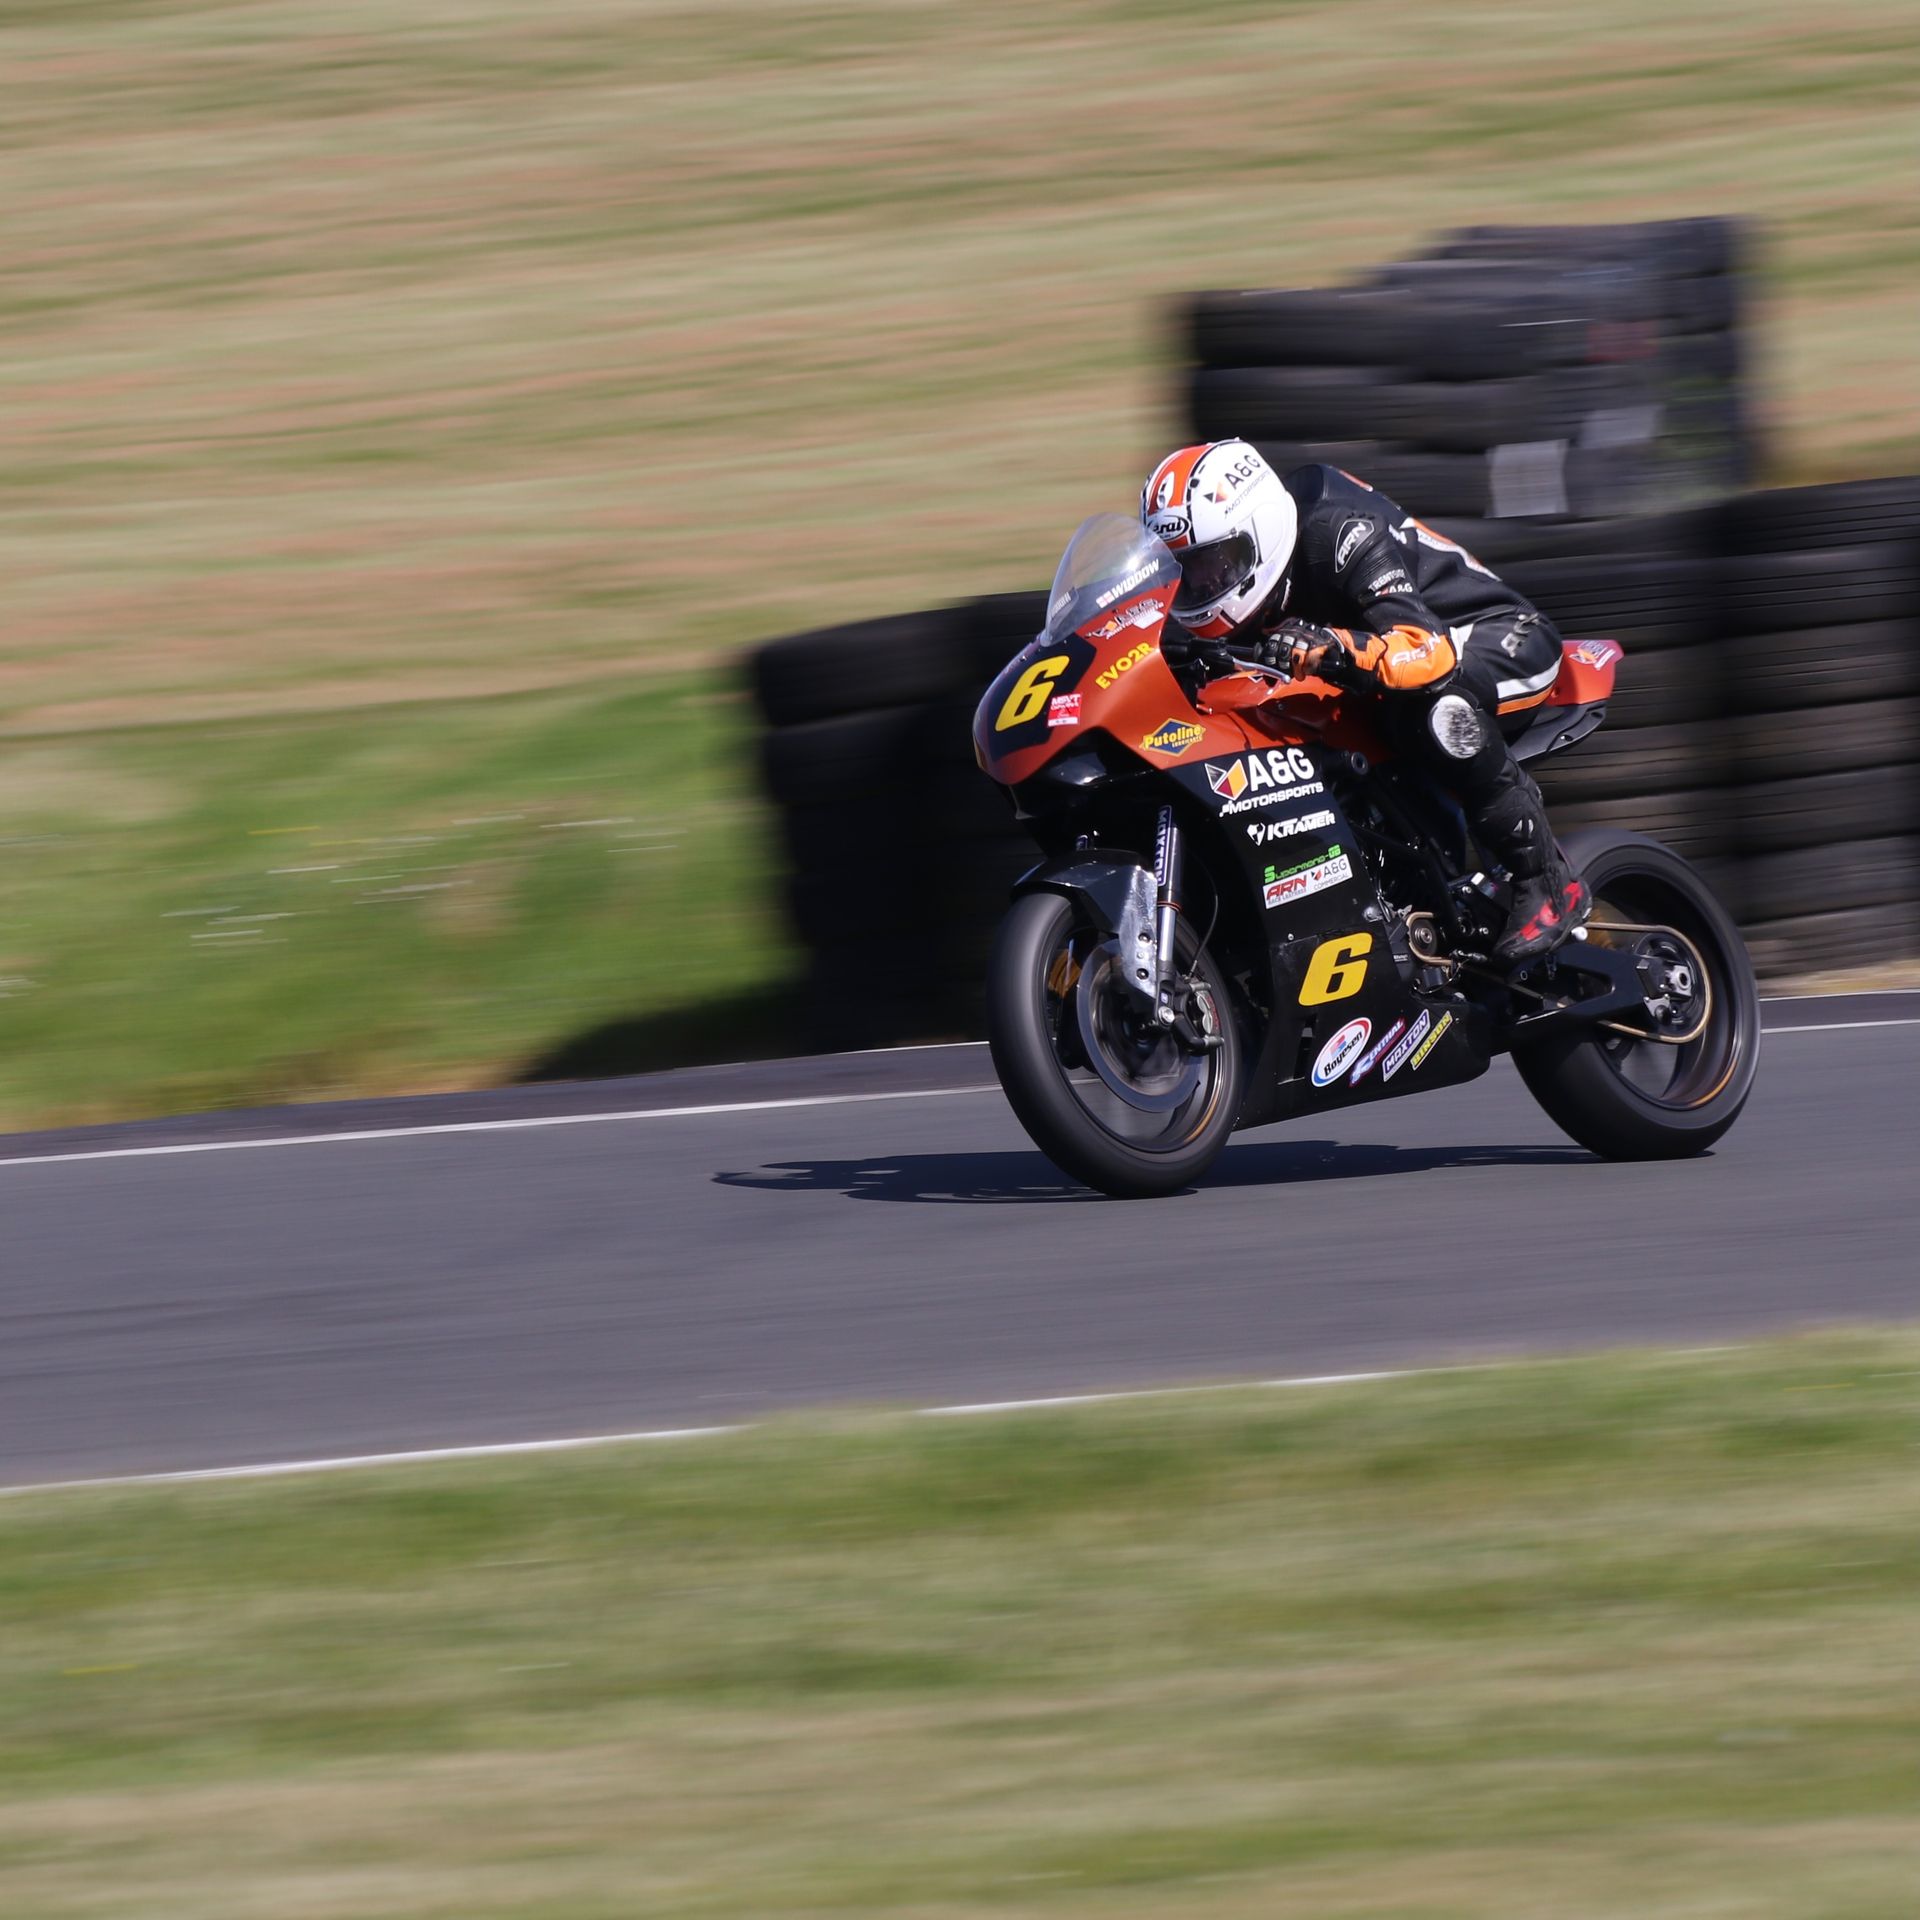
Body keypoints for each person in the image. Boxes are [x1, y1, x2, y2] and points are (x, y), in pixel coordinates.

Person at [1140, 439, 1588, 966]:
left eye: (1215, 563)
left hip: (1494, 638)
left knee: (1437, 714)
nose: (1201, 584)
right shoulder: (1204, 604)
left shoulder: (1337, 534)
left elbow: (1426, 651)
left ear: (1259, 532)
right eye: (1186, 572)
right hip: (1380, 676)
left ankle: (1546, 880)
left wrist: (1333, 646)